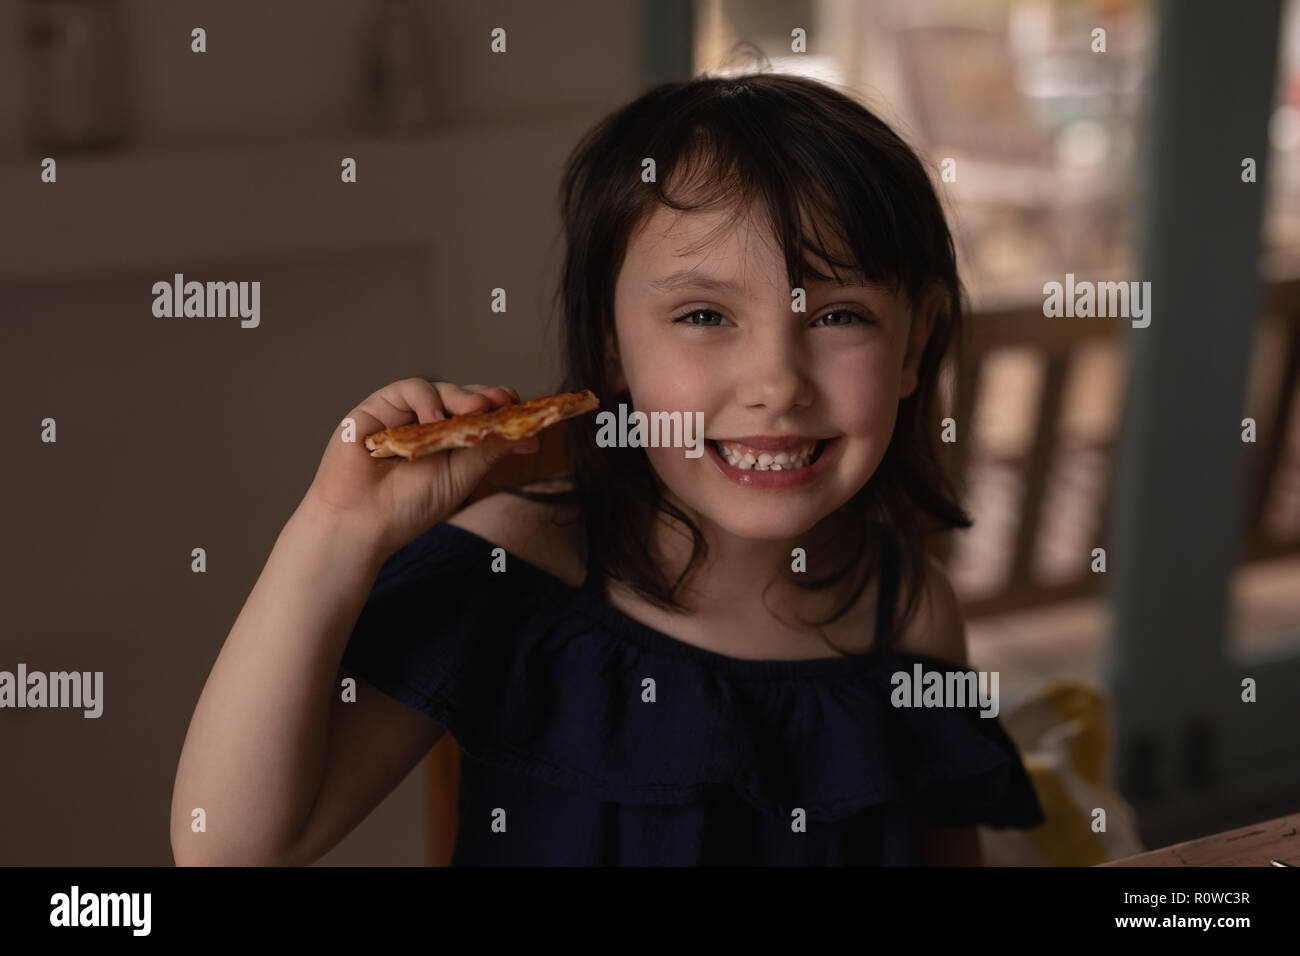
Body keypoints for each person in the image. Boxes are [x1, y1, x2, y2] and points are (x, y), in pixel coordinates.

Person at [170, 71, 1044, 866]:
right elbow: (228, 852)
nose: (777, 384)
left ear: (913, 345)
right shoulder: (515, 566)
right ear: (610, 346)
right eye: (704, 315)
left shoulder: (911, 611)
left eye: (839, 315)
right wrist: (336, 531)